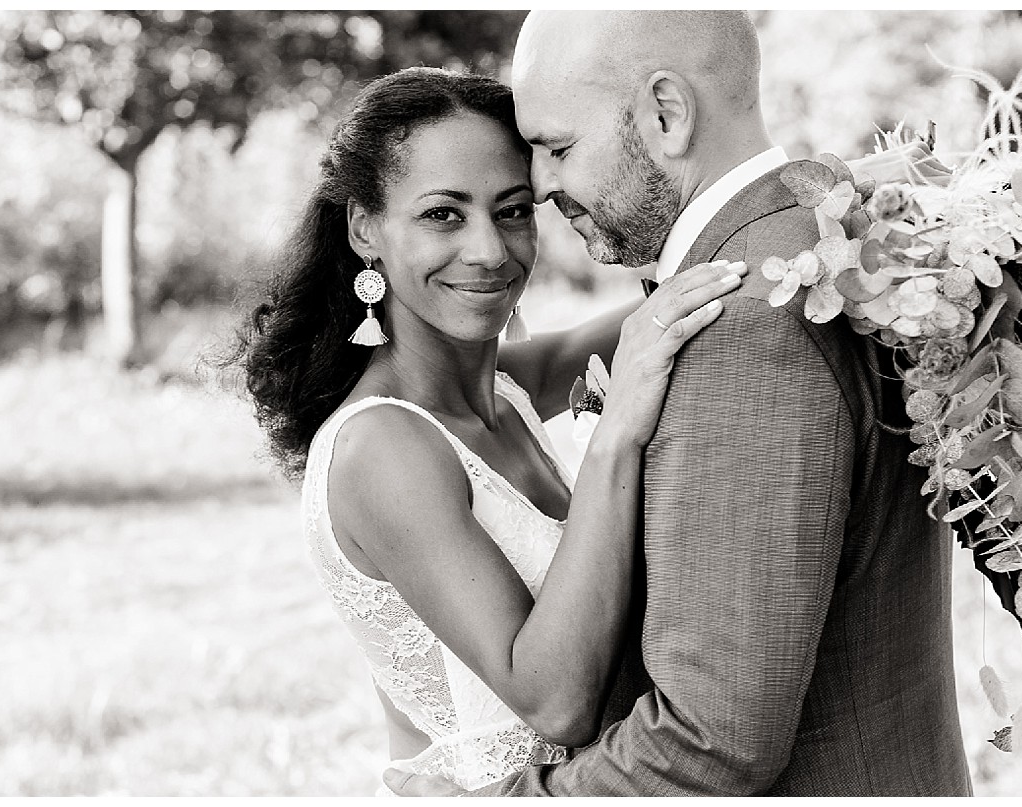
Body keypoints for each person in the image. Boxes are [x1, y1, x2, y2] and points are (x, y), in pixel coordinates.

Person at [386, 10, 973, 797]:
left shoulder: (741, 326)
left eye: (558, 147)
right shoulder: (830, 250)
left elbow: (711, 739)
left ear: (667, 113)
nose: (543, 183)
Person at [228, 66, 744, 792]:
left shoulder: (506, 386)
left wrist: (827, 200)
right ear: (364, 228)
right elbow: (555, 701)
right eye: (444, 214)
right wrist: (616, 433)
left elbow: (695, 298)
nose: (490, 252)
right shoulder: (383, 446)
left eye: (511, 211)